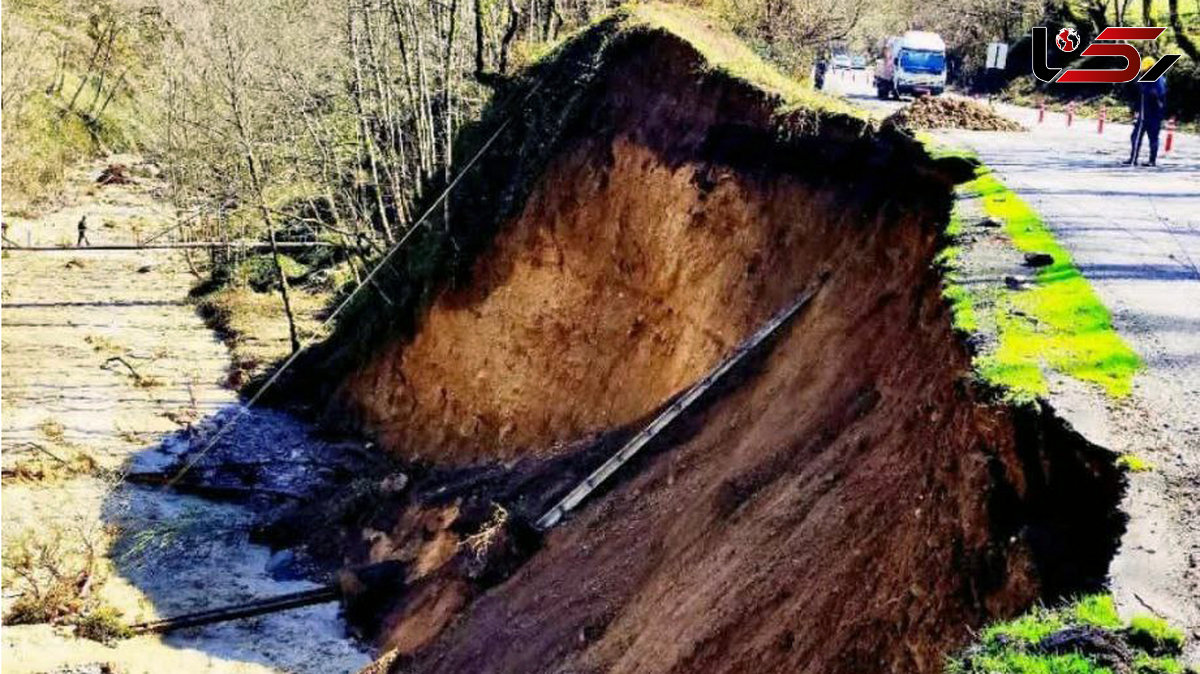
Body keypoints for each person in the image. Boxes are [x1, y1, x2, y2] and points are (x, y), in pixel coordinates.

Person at [1125, 56, 1167, 167]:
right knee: (1146, 137)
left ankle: (1135, 159)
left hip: (1149, 114)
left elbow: (1155, 94)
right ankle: (1150, 160)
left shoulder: (1156, 80)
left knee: (1139, 137)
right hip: (1150, 114)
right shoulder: (1158, 79)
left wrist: (1143, 88)